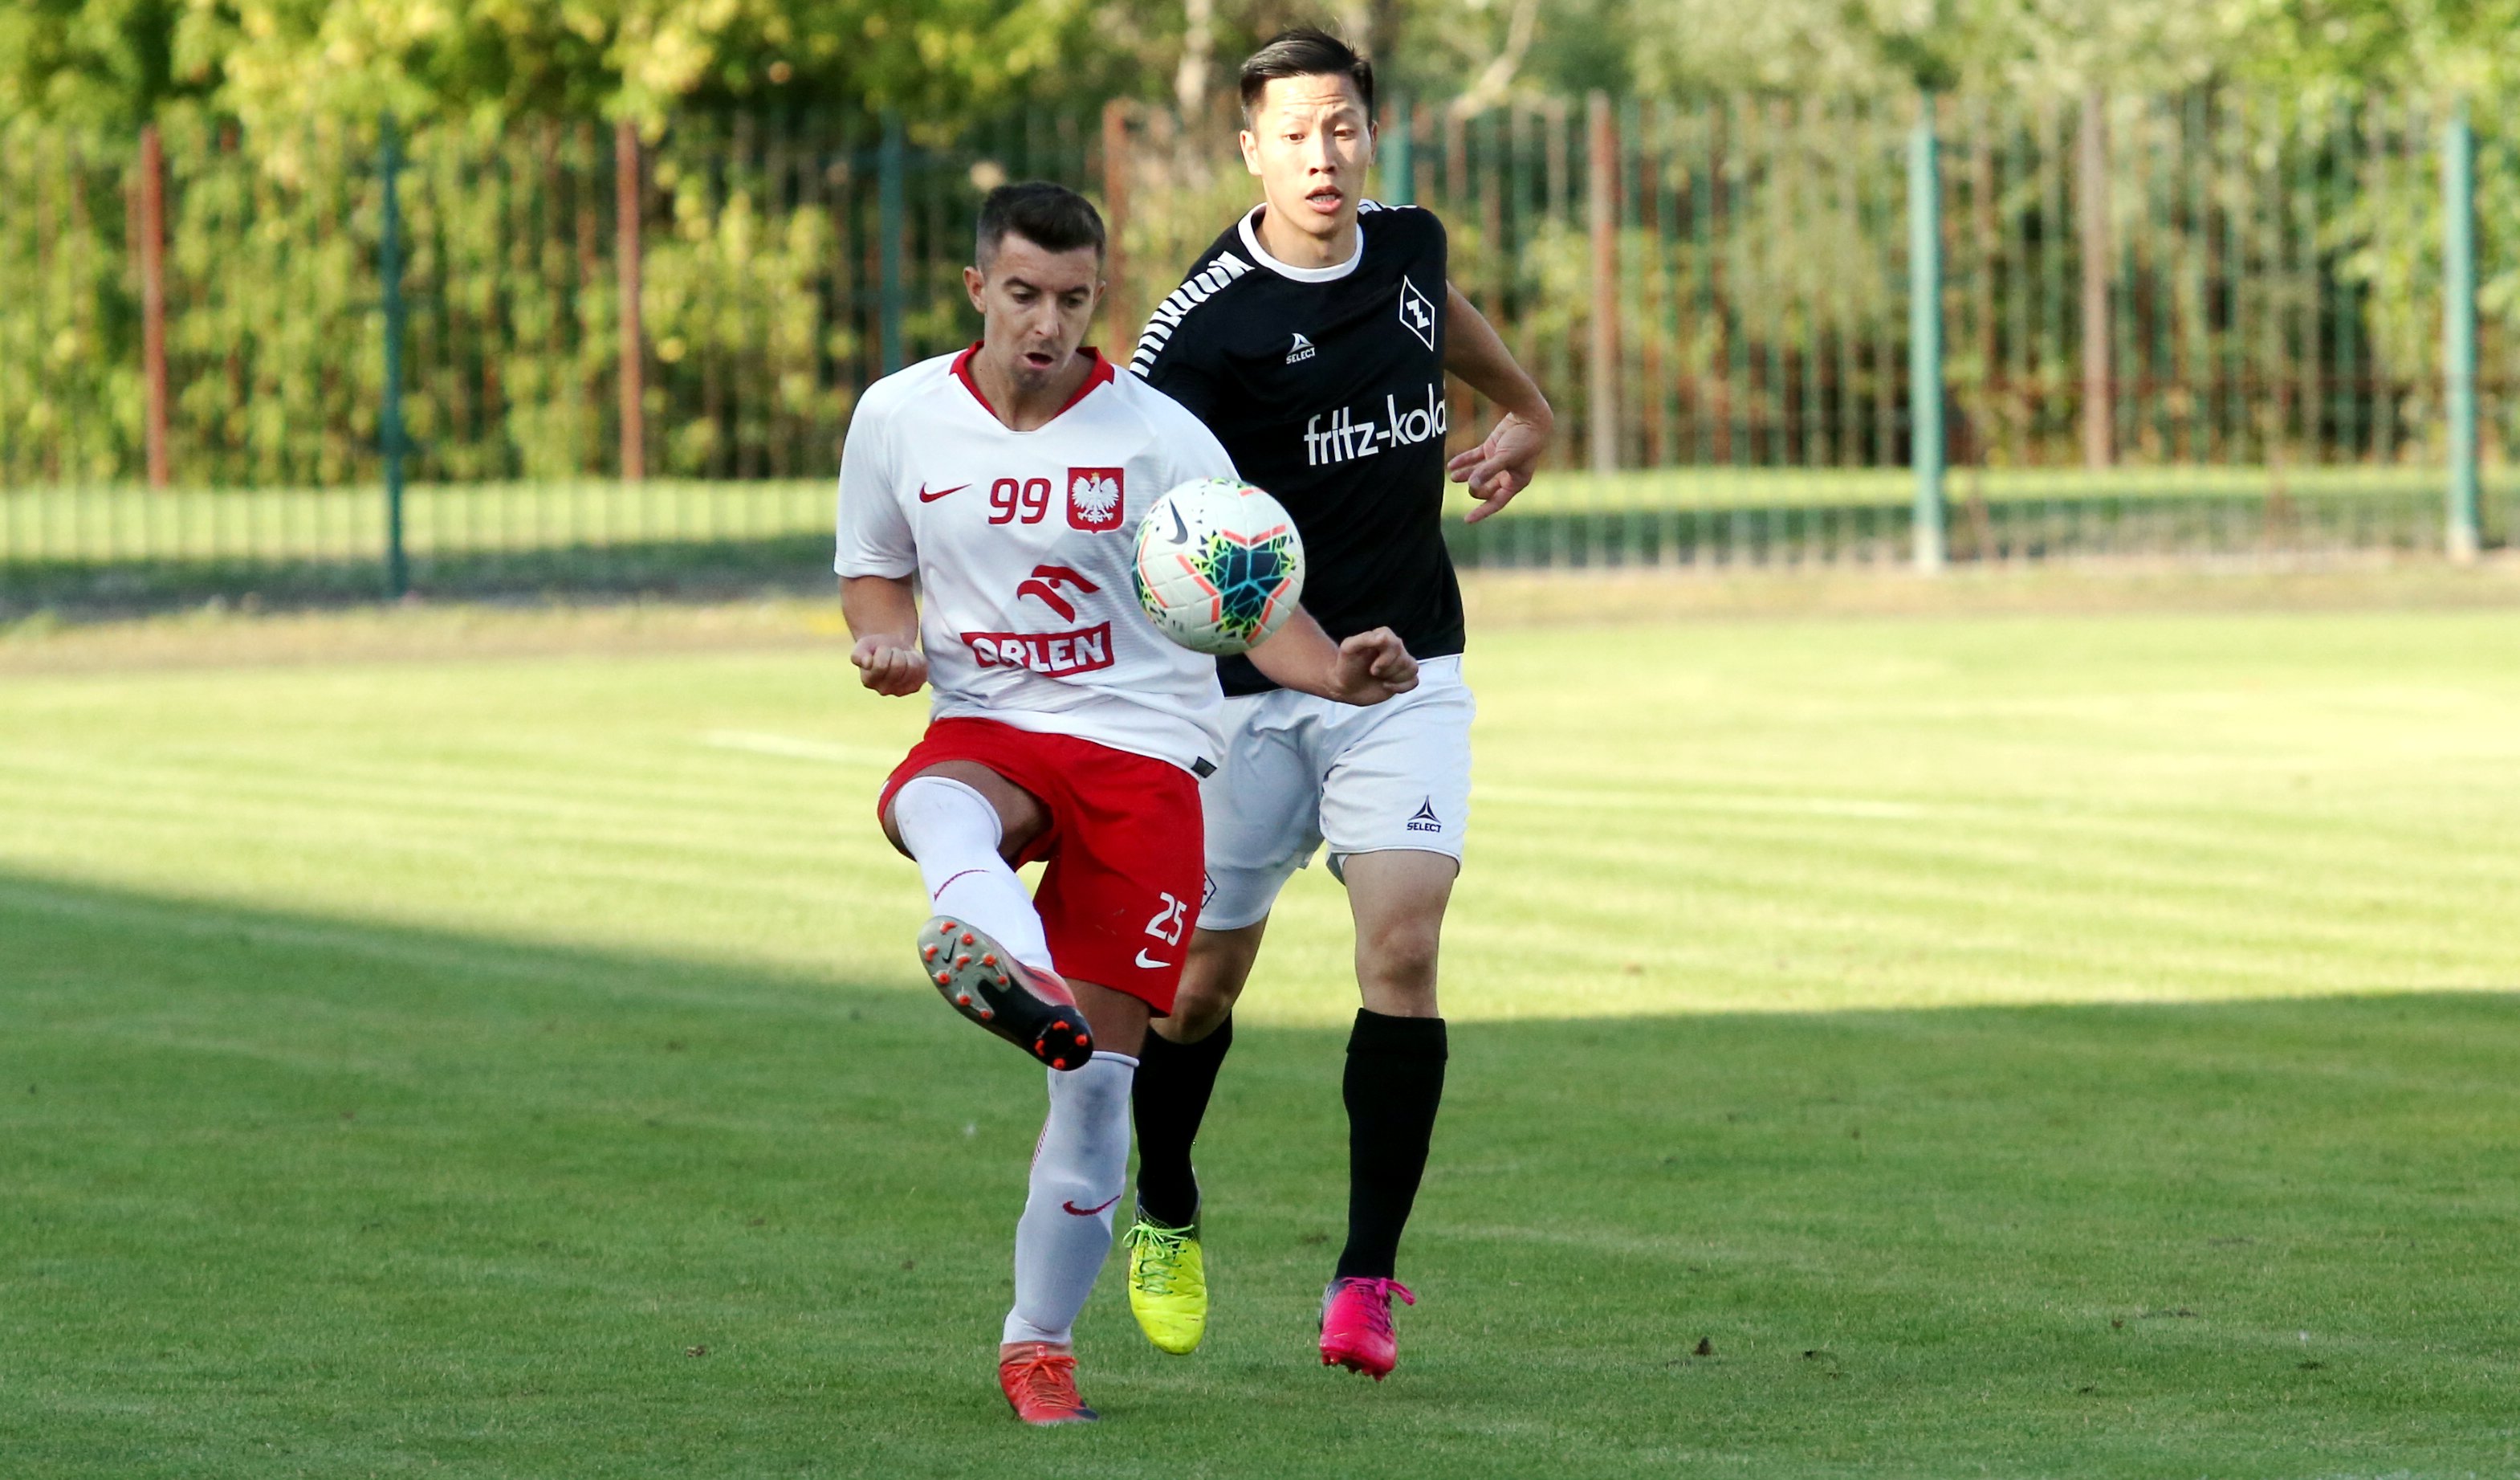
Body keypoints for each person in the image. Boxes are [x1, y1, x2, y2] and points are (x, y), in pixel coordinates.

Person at [836, 180, 1419, 1425]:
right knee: (935, 800)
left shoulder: (1160, 440)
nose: (1047, 324)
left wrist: (1336, 672)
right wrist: (885, 645)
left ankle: (1037, 1347)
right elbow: (876, 572)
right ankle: (1004, 956)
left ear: (1098, 296)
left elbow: (1250, 601)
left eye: (1074, 299)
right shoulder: (898, 417)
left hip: (1144, 754)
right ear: (978, 288)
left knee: (1099, 1084)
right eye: (1024, 295)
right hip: (991, 723)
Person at [1123, 29, 1554, 1380]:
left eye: (1344, 127)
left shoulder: (1409, 245)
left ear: (1372, 132)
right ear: (1250, 147)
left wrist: (1527, 408)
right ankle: (1165, 1200)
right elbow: (1145, 518)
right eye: (1297, 132)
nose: (1324, 154)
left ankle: (1366, 1278)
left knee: (1404, 950)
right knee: (1198, 991)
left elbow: (1442, 310)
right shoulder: (1200, 331)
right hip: (1244, 690)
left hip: (1408, 667)